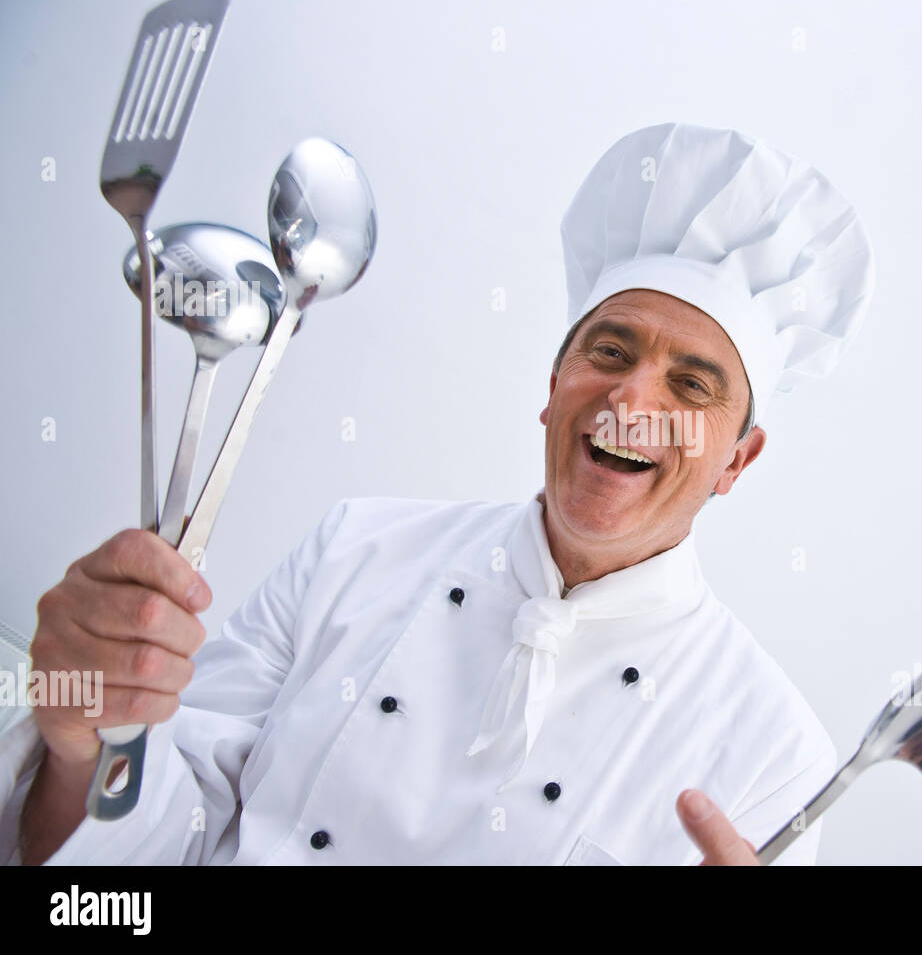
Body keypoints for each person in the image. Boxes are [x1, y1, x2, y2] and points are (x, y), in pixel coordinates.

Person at [0, 121, 874, 865]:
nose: (631, 402)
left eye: (691, 385)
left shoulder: (776, 754)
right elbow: (144, 855)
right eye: (609, 352)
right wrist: (82, 745)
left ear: (736, 462)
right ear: (554, 383)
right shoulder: (353, 550)